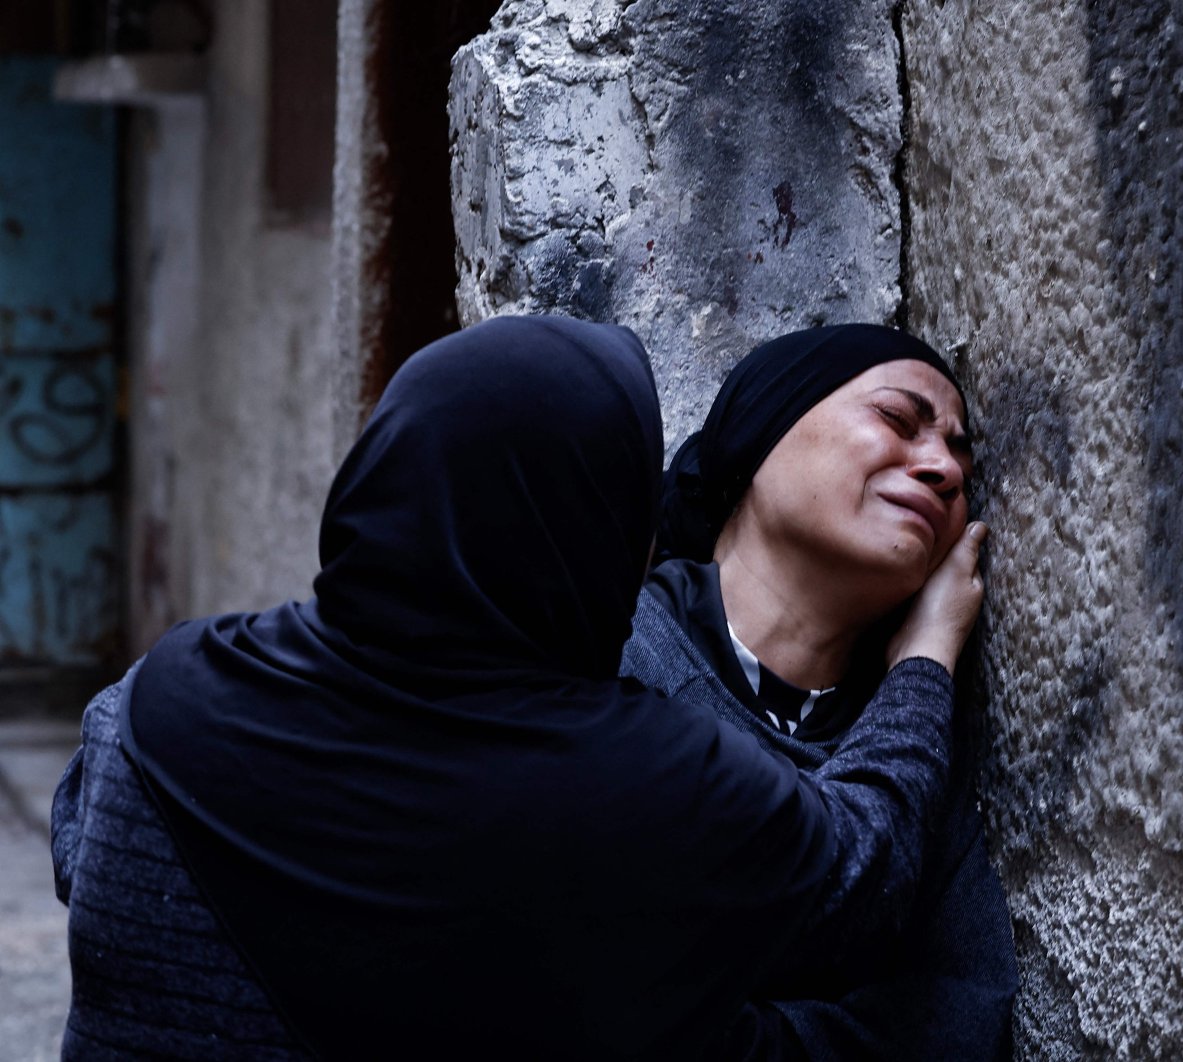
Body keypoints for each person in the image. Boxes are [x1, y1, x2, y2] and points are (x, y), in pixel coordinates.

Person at [50, 316, 985, 1060]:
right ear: (595, 535)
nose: (942, 468)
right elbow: (860, 882)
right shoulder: (641, 774)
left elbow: (81, 844)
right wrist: (926, 657)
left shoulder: (162, 692)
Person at [622, 324, 1018, 1058]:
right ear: (762, 435)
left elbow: (965, 1015)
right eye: (899, 421)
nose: (944, 470)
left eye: (962, 458)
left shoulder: (920, 735)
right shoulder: (608, 663)